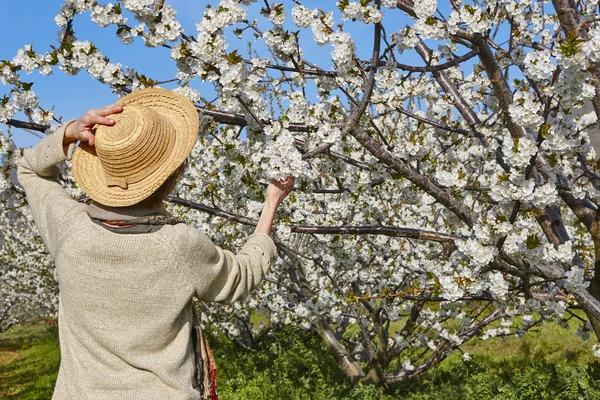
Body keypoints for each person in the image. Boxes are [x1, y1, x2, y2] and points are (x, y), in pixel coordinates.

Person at [17, 88, 295, 399]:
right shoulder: (178, 245)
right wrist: (271, 202)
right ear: (171, 175)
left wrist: (69, 132)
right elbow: (242, 276)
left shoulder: (67, 227)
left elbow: (30, 169)